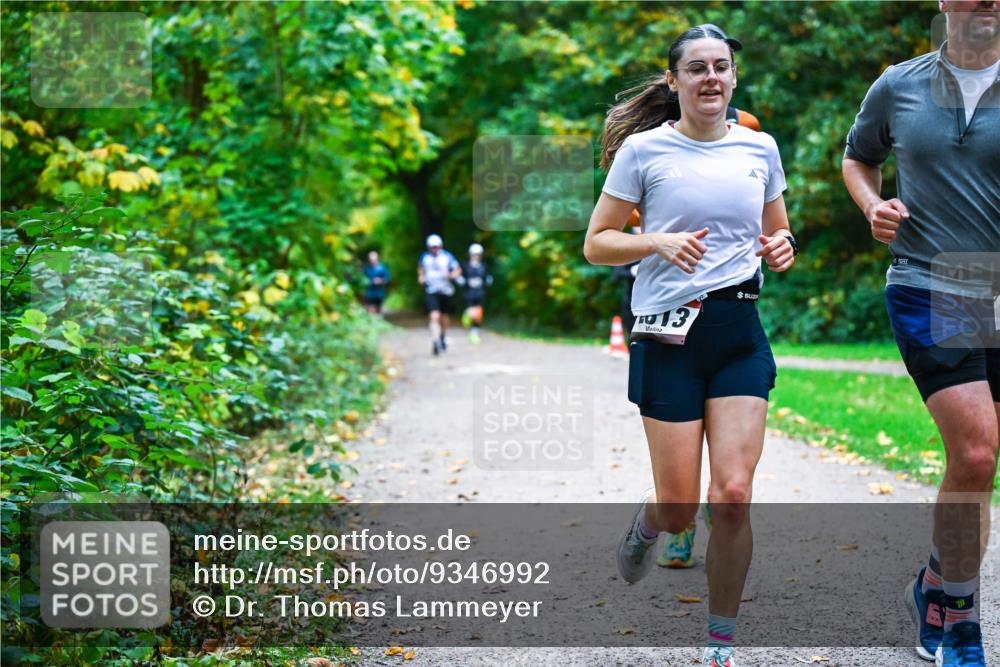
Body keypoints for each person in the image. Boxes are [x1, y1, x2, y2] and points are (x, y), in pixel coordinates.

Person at [584, 24, 796, 667]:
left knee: (732, 495)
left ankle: (720, 644)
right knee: (679, 508)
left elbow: (778, 232)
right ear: (673, 80)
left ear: (733, 77)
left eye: (721, 67)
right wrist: (656, 242)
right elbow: (597, 243)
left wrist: (782, 249)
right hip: (667, 336)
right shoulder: (644, 151)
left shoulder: (759, 148)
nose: (711, 77)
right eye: (697, 67)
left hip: (738, 333)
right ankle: (650, 523)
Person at [842, 2, 998, 664]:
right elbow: (858, 158)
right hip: (930, 285)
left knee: (978, 463)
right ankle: (960, 621)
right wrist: (873, 205)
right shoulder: (899, 85)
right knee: (978, 453)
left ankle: (934, 582)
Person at [418, 234, 462, 356]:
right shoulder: (425, 258)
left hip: (446, 291)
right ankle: (435, 341)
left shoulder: (447, 257)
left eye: (436, 246)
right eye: (432, 247)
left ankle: (442, 336)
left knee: (444, 317)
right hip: (432, 291)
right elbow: (421, 270)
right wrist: (421, 277)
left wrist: (450, 275)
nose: (435, 249)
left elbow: (457, 270)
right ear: (429, 247)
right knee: (434, 316)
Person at [459, 242, 493, 345]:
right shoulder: (465, 266)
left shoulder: (484, 266)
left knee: (479, 313)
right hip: (469, 293)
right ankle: (467, 317)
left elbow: (487, 278)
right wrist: (462, 281)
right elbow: (461, 278)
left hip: (480, 293)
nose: (476, 256)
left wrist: (488, 280)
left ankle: (474, 333)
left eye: (478, 254)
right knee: (471, 312)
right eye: (474, 254)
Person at [362, 250, 390, 314]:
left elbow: (387, 279)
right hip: (369, 293)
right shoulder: (366, 268)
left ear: (377, 258)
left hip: (379, 293)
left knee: (378, 310)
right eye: (371, 259)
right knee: (371, 310)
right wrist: (370, 281)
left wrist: (380, 280)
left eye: (374, 259)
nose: (372, 261)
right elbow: (363, 279)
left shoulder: (382, 268)